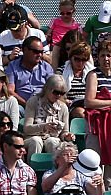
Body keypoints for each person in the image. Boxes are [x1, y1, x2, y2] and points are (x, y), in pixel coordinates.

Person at [23, 75, 73, 157]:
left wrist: (67, 136)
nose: (59, 96)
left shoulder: (63, 107)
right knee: (36, 141)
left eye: (62, 93)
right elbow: (27, 129)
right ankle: (32, 168)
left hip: (52, 138)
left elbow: (64, 132)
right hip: (32, 137)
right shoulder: (33, 102)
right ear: (47, 89)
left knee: (52, 141)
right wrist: (43, 127)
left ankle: (54, 168)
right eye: (56, 92)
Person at [83, 37, 111, 172]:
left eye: (109, 55)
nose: (106, 59)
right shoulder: (93, 75)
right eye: (102, 55)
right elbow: (89, 101)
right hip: (96, 125)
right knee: (95, 162)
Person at [0, 129, 37, 195]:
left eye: (23, 147)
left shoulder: (29, 171)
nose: (23, 150)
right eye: (18, 147)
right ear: (5, 146)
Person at [6, 35, 55, 108]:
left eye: (41, 52)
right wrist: (26, 104)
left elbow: (53, 89)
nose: (40, 55)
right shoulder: (13, 66)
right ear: (25, 50)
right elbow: (10, 91)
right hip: (22, 105)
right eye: (36, 52)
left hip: (44, 105)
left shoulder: (47, 67)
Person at [63, 41, 93, 120]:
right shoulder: (62, 72)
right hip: (72, 106)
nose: (80, 62)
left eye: (83, 59)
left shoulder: (93, 73)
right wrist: (64, 100)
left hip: (90, 105)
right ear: (71, 57)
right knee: (81, 112)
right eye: (77, 59)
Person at [48, 0, 80, 68]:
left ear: (73, 12)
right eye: (62, 13)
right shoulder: (55, 21)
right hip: (55, 46)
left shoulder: (76, 25)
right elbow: (48, 33)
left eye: (68, 13)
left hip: (69, 47)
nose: (65, 15)